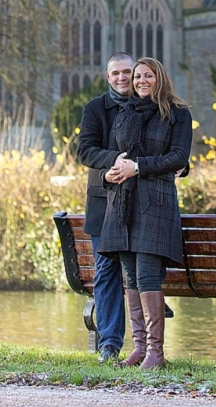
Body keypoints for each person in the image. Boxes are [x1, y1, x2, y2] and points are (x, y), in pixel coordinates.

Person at [97, 57, 192, 370]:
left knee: (148, 273)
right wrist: (107, 175)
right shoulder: (125, 114)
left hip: (156, 202)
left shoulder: (176, 113)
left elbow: (178, 157)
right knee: (131, 275)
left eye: (147, 76)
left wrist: (139, 167)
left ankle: (156, 352)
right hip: (122, 203)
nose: (140, 81)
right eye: (137, 77)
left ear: (159, 77)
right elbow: (116, 155)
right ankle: (138, 348)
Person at [76, 51, 135, 363]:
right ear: (108, 77)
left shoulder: (150, 105)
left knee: (141, 271)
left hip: (141, 202)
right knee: (107, 270)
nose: (123, 78)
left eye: (128, 72)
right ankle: (109, 345)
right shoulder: (95, 109)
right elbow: (85, 150)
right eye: (117, 73)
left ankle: (146, 346)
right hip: (104, 203)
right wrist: (112, 162)